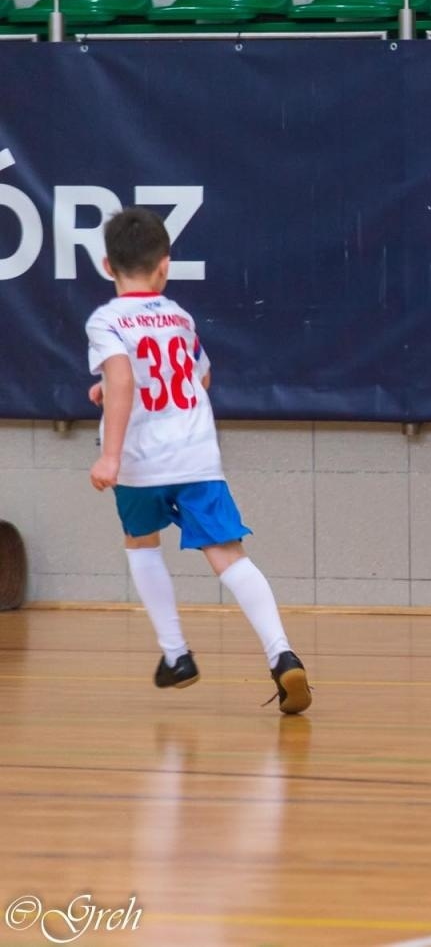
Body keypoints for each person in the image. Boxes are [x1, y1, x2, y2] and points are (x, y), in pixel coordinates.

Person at [85, 207, 310, 714]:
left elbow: (124, 379)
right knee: (229, 556)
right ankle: (282, 654)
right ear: (165, 266)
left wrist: (111, 455)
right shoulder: (179, 317)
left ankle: (177, 655)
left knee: (141, 543)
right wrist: (118, 386)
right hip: (195, 454)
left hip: (141, 460)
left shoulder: (107, 320)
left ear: (106, 266)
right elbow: (198, 379)